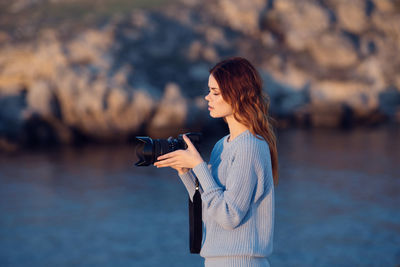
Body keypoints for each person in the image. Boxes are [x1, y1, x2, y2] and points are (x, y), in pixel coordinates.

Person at [153, 57, 278, 267]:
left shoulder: (250, 147)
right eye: (209, 91)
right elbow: (211, 211)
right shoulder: (223, 145)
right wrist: (186, 172)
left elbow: (229, 216)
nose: (207, 97)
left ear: (237, 95)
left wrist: (199, 166)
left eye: (215, 92)